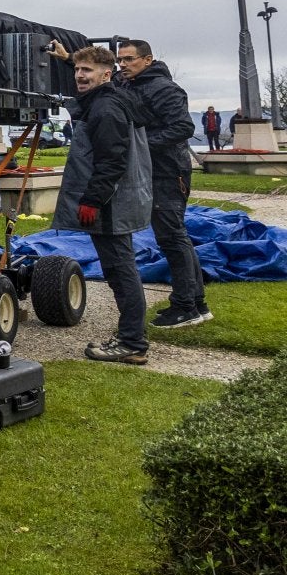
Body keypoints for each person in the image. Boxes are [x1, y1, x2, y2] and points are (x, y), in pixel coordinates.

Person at [51, 44, 153, 364]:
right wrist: (69, 58)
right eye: (77, 70)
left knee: (120, 270)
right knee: (119, 268)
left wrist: (93, 200)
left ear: (105, 75)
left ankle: (132, 342)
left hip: (111, 203)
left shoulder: (106, 109)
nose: (79, 76)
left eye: (87, 71)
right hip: (119, 199)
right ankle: (131, 338)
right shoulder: (112, 96)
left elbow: (111, 161)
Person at [117, 41, 209, 329]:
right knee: (174, 236)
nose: (123, 64)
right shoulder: (131, 85)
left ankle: (185, 306)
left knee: (172, 237)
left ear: (147, 59)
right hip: (152, 170)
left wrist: (141, 147)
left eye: (129, 59)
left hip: (168, 172)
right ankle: (196, 302)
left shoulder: (164, 88)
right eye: (120, 59)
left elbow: (182, 127)